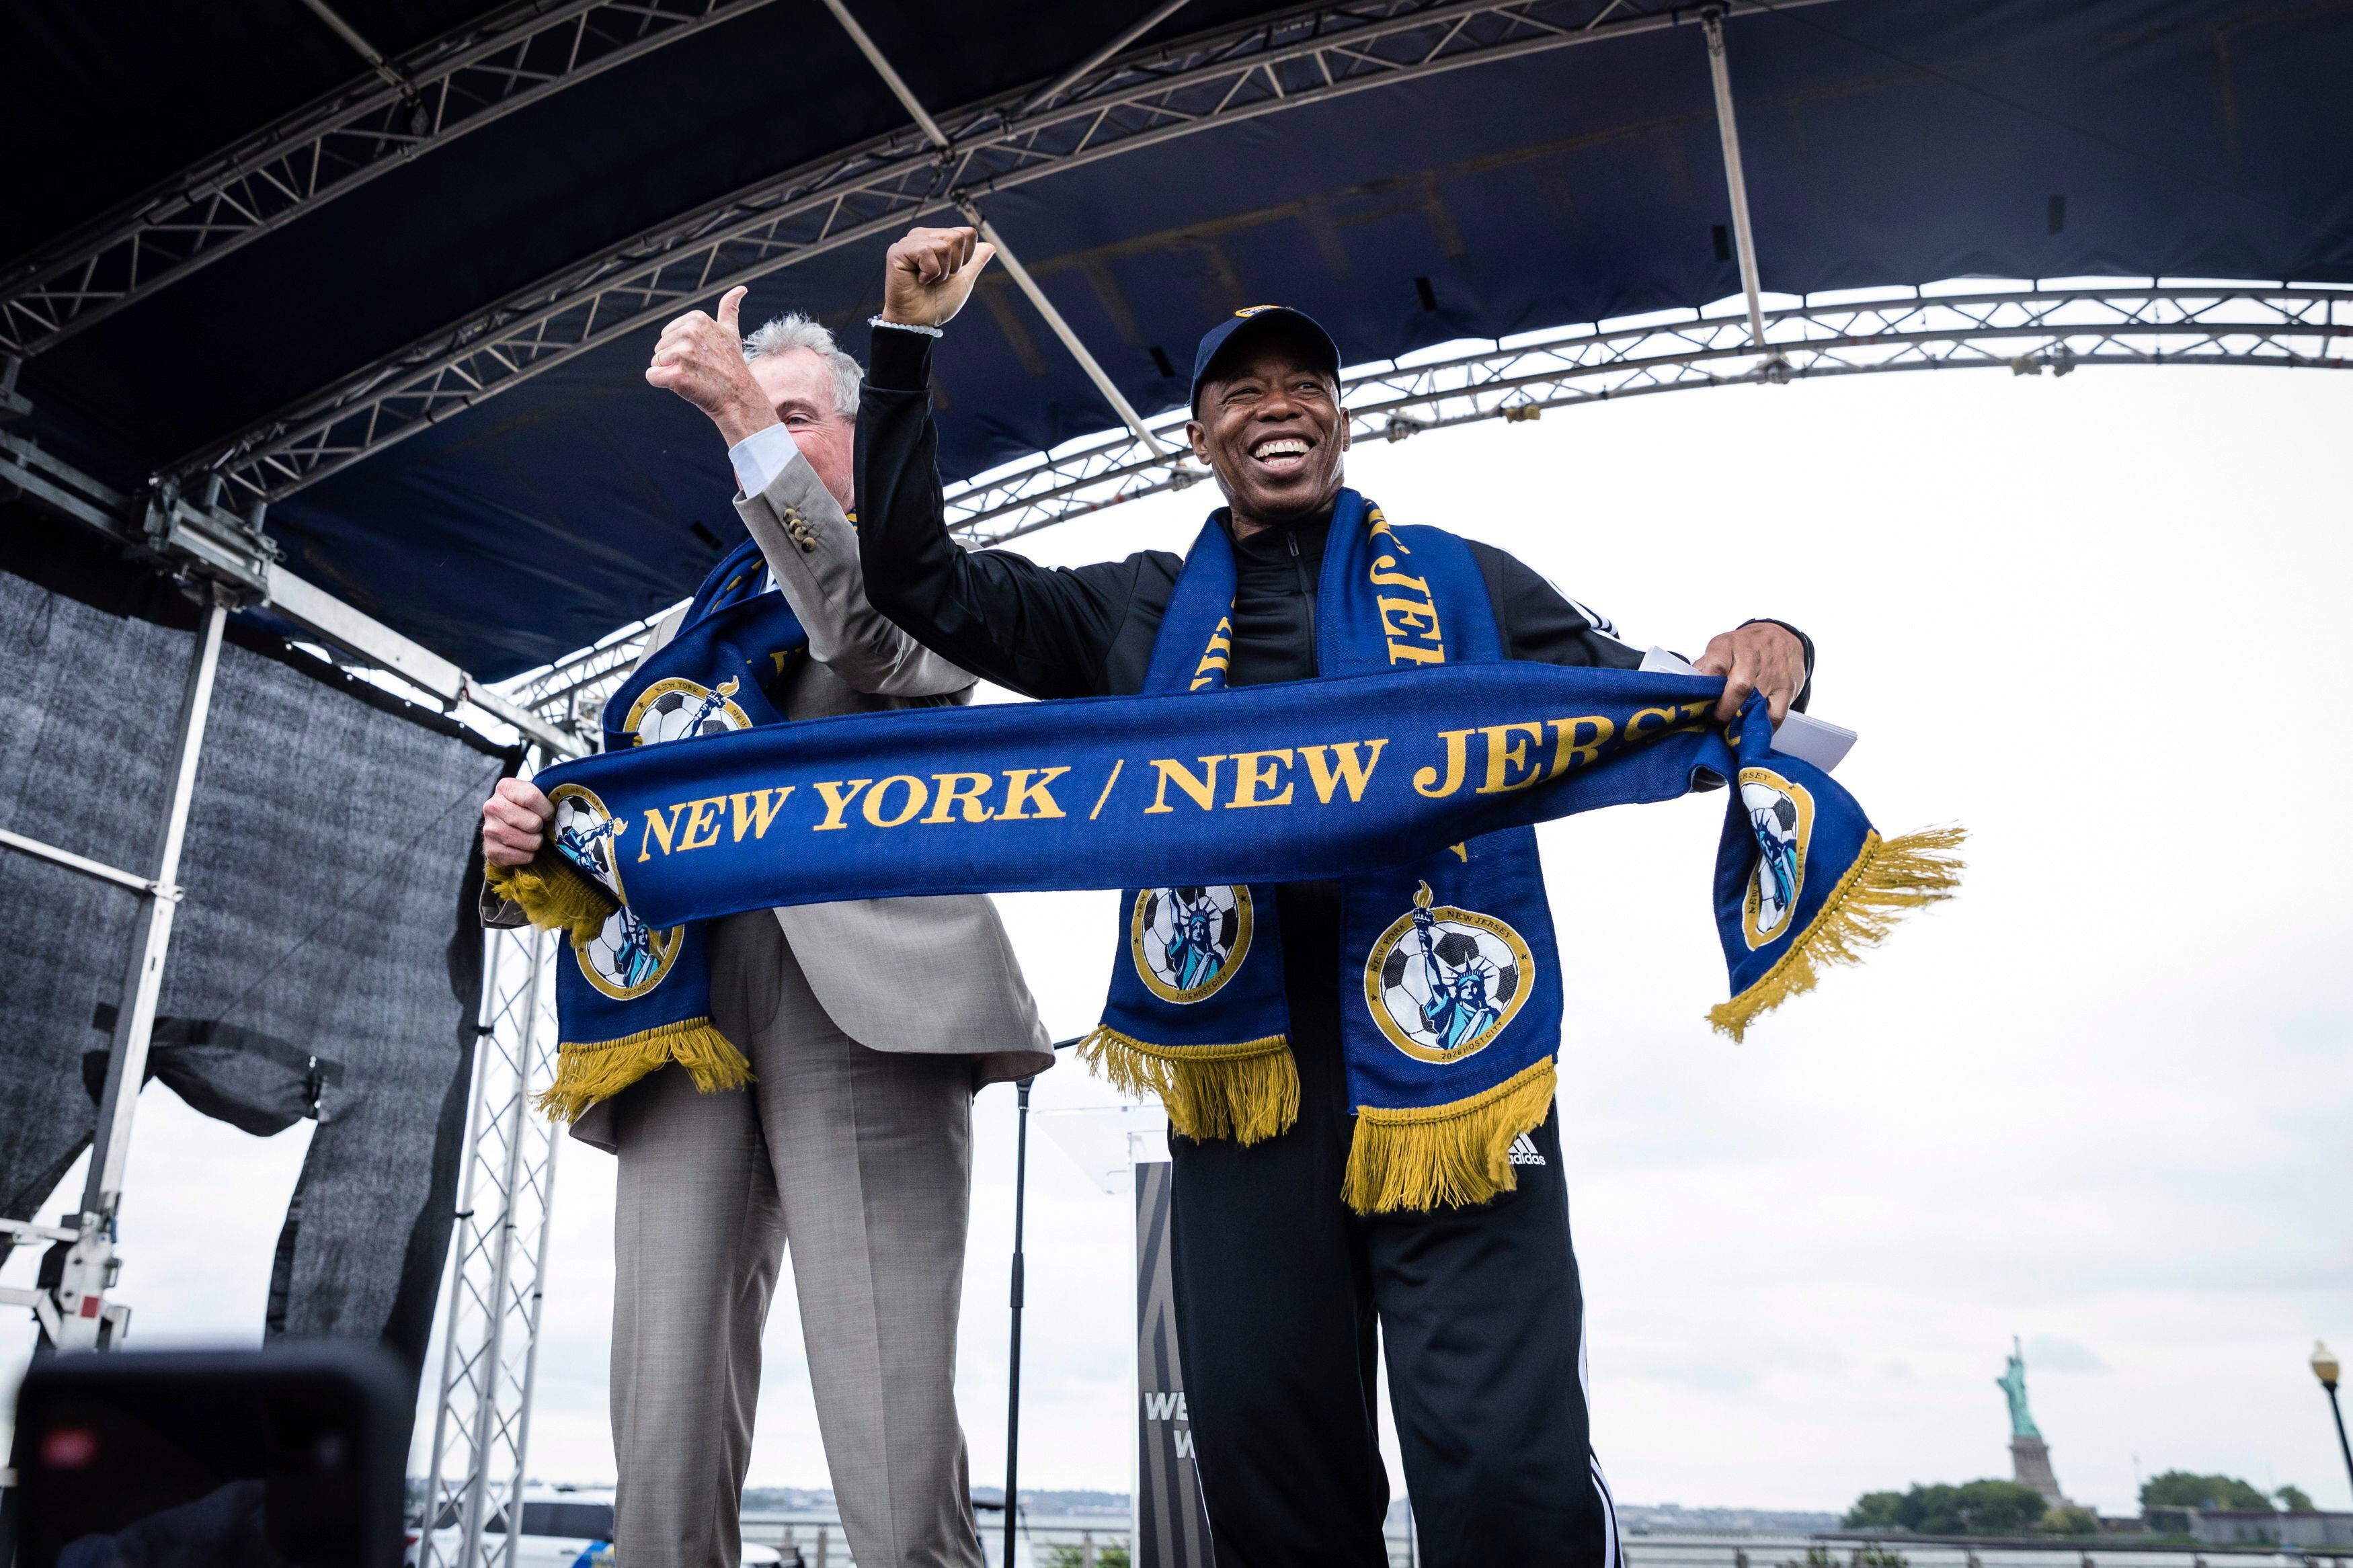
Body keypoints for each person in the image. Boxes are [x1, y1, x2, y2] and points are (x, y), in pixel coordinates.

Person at [850, 226, 1815, 1568]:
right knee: (1271, 1483)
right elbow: (912, 582)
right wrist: (906, 342)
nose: (1278, 404)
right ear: (1197, 438)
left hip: (1454, 1076)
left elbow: (1654, 689)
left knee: (1503, 1478)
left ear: (1343, 421)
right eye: (1242, 391)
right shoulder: (1126, 616)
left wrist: (1774, 646)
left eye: (1305, 382)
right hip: (1249, 1097)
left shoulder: (1471, 581)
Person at [477, 287, 1051, 1568]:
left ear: (852, 436)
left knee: (892, 1427)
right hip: (681, 1000)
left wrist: (743, 414)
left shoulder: (917, 549)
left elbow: (878, 640)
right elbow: (646, 793)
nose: (762, 434)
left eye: (794, 415)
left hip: (864, 991)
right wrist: (534, 835)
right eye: (752, 413)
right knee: (661, 1422)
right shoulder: (708, 610)